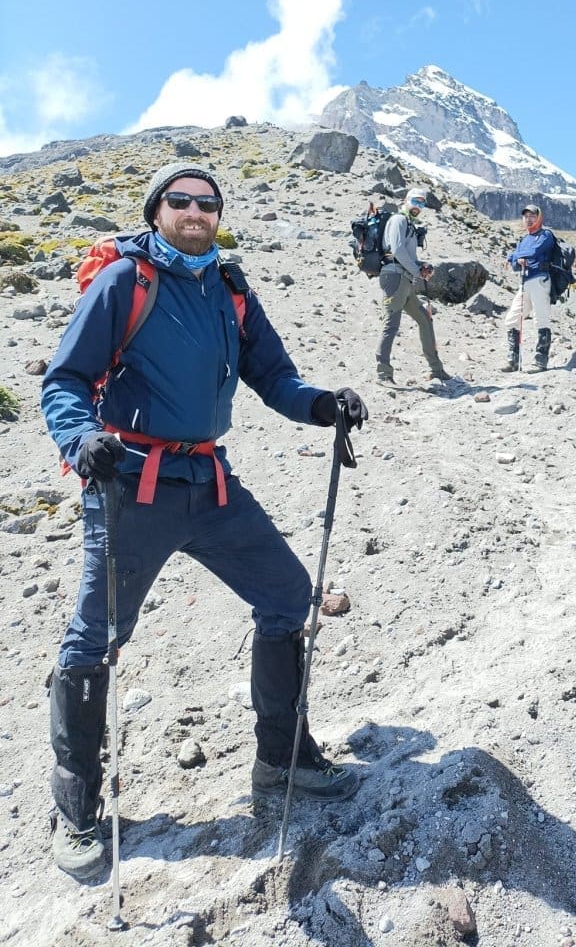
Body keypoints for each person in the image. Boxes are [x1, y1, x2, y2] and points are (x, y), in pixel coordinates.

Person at [40, 161, 369, 882]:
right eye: (181, 201)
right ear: (156, 210)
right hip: (130, 484)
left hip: (209, 482)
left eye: (207, 203)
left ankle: (282, 760)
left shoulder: (230, 290)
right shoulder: (124, 282)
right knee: (95, 637)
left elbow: (275, 378)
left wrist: (322, 405)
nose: (195, 212)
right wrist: (79, 439)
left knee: (286, 595)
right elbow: (64, 380)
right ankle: (76, 808)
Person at [375, 187, 451, 385]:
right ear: (406, 200)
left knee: (425, 319)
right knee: (391, 324)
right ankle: (383, 373)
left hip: (405, 280)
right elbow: (397, 251)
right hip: (394, 278)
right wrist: (418, 271)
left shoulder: (409, 224)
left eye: (422, 203)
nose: (418, 206)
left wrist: (422, 265)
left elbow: (407, 256)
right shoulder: (398, 220)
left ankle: (437, 369)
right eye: (415, 201)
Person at [502, 203, 555, 372]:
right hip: (525, 282)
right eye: (526, 216)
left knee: (541, 319)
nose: (529, 219)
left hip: (540, 280)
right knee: (512, 319)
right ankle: (513, 360)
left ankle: (540, 362)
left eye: (532, 216)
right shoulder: (523, 240)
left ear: (539, 218)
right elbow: (516, 265)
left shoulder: (546, 235)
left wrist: (512, 256)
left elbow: (533, 252)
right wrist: (516, 260)